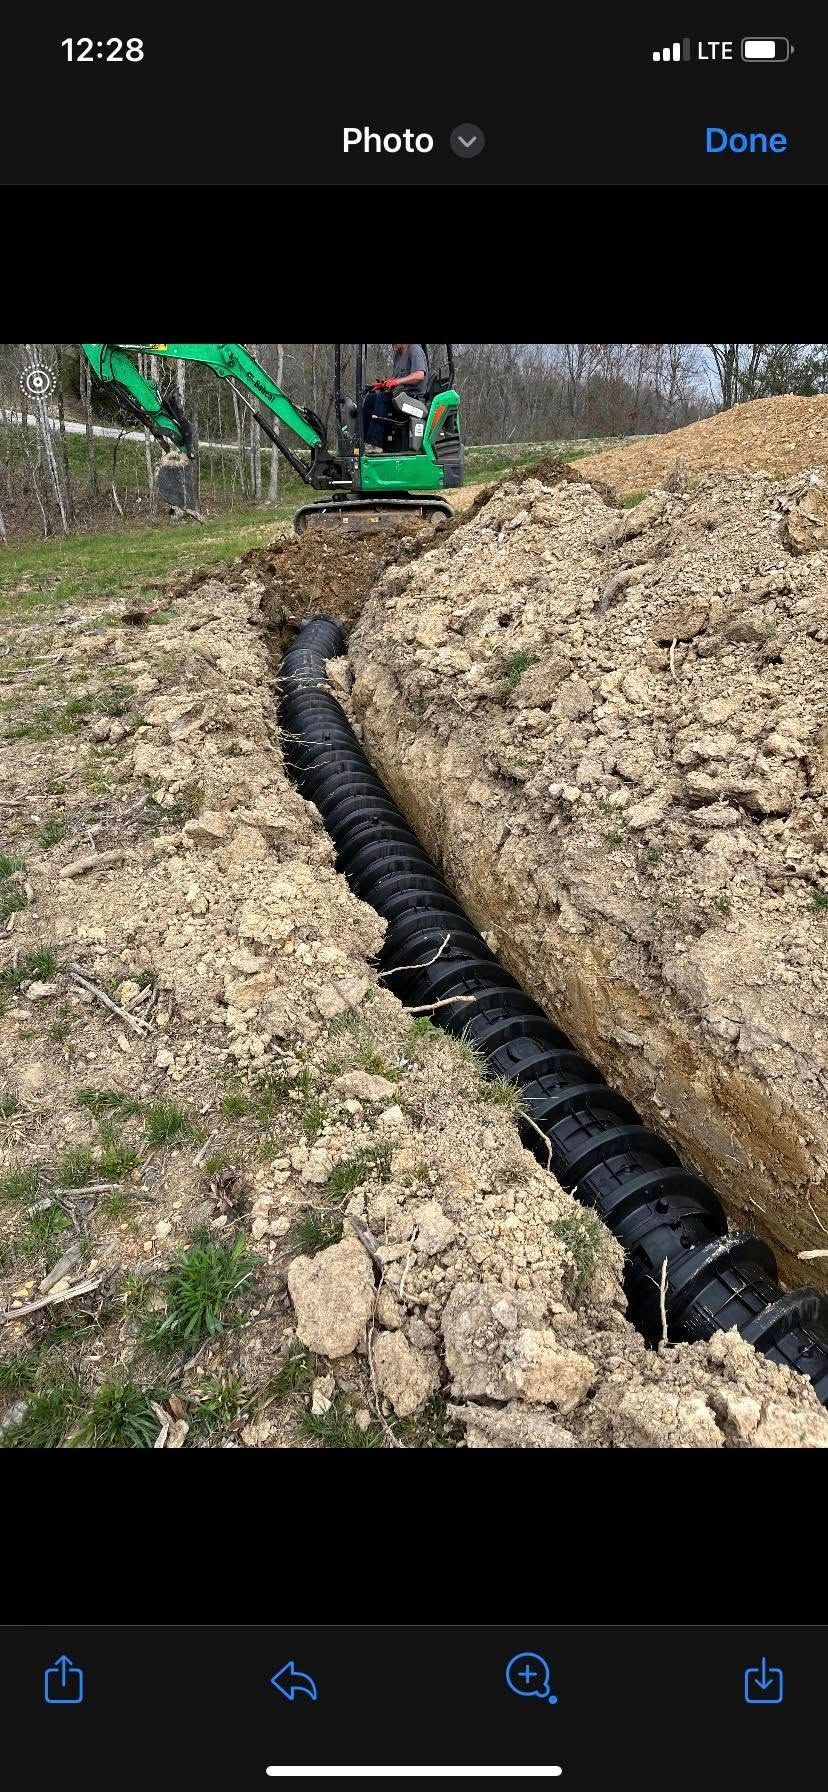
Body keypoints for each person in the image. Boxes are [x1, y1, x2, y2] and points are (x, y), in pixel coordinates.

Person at [363, 343, 428, 448]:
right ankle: (363, 440)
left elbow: (419, 375)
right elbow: (396, 378)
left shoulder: (415, 350)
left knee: (382, 399)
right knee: (371, 399)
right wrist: (383, 384)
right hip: (401, 395)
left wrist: (397, 382)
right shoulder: (398, 354)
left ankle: (374, 444)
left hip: (413, 397)